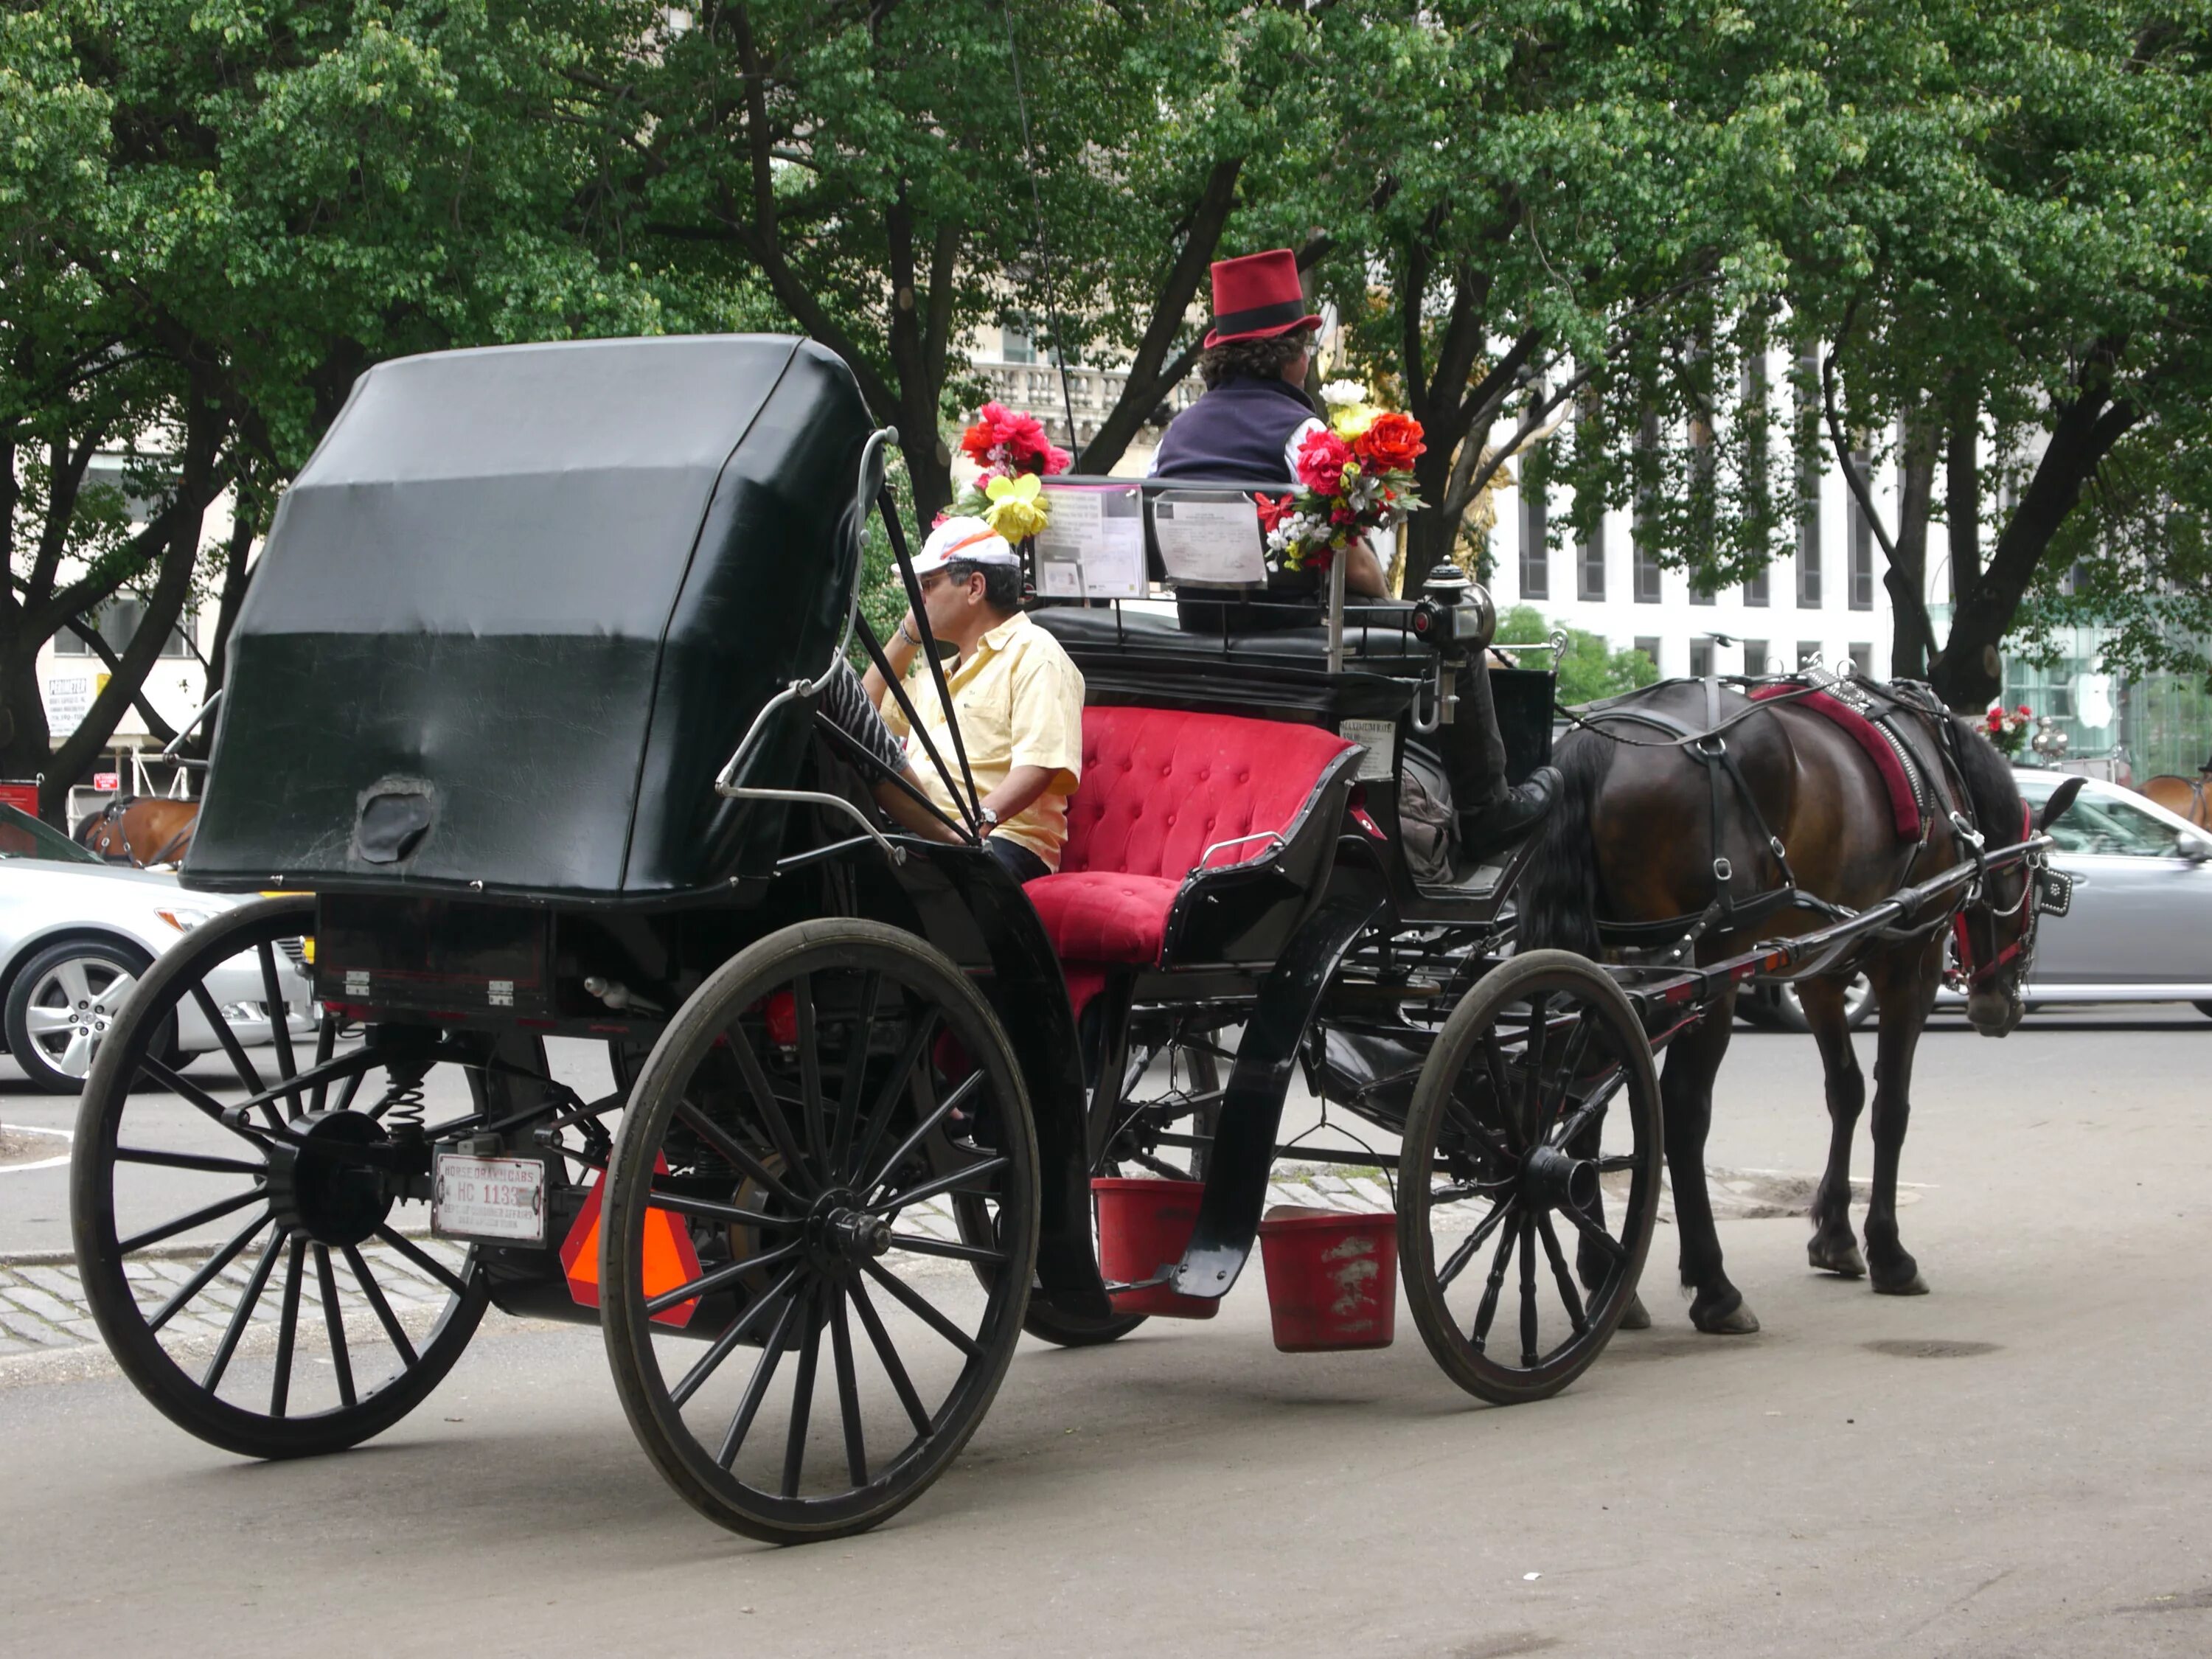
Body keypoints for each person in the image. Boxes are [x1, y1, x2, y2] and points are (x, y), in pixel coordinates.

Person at [1149, 246, 1557, 863]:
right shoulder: (1302, 434)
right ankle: (1487, 807)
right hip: (1292, 643)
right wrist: (1391, 599)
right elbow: (1360, 570)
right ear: (1291, 355)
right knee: (1456, 629)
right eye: (1305, 346)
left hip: (1196, 633)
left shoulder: (1174, 436)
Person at [863, 515, 1086, 882]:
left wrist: (974, 826)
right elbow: (865, 710)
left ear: (975, 587)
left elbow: (1040, 764)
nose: (919, 598)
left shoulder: (1034, 652)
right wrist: (909, 630)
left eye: (928, 585)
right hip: (926, 834)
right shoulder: (939, 673)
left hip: (1001, 842)